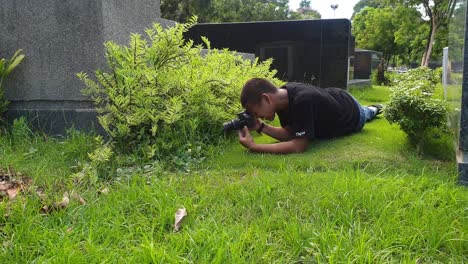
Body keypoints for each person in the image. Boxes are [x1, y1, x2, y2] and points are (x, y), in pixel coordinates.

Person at [237, 78, 382, 154]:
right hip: (335, 97)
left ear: (267, 98)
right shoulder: (282, 98)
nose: (258, 116)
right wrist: (259, 126)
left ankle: (374, 108)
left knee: (367, 112)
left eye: (257, 113)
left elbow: (298, 146)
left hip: (352, 112)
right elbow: (291, 133)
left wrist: (254, 147)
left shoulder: (302, 100)